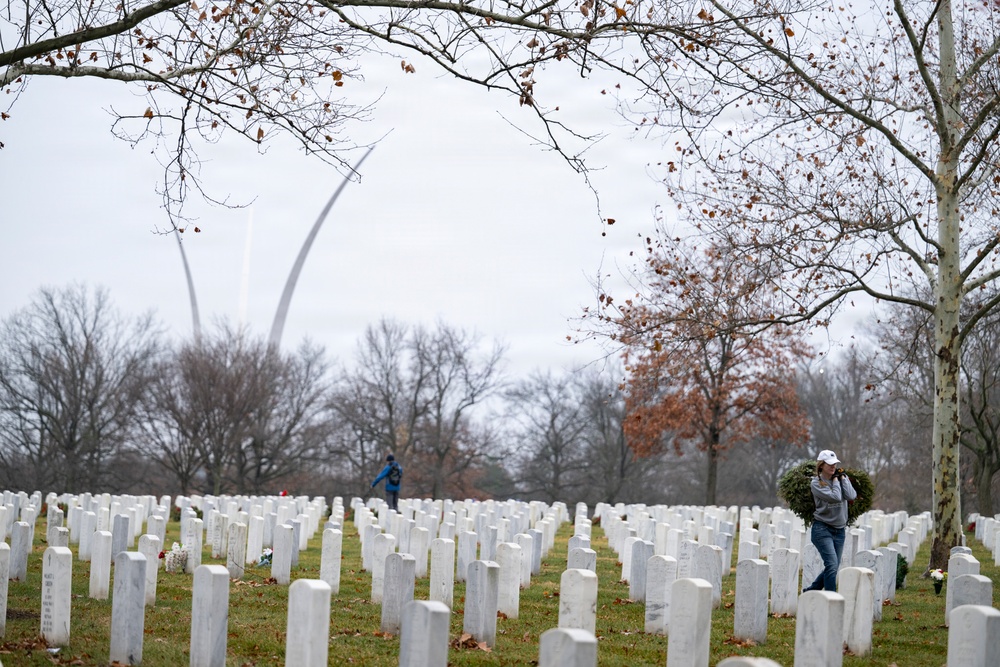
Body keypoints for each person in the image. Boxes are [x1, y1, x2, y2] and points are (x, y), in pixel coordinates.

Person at [803, 449, 857, 592]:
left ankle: (811, 591)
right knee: (832, 565)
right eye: (829, 464)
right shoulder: (816, 483)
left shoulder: (841, 478)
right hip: (822, 529)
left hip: (839, 530)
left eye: (835, 464)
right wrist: (835, 480)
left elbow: (851, 495)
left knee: (833, 566)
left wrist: (843, 478)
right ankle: (832, 599)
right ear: (821, 465)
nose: (833, 466)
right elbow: (836, 497)